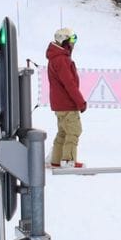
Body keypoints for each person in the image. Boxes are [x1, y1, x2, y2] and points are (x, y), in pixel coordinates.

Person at [46, 27, 87, 168]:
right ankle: (68, 160)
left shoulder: (56, 58)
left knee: (63, 132)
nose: (73, 43)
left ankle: (56, 159)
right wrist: (80, 102)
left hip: (59, 104)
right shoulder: (62, 60)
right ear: (64, 41)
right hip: (67, 103)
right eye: (71, 40)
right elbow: (69, 84)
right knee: (74, 131)